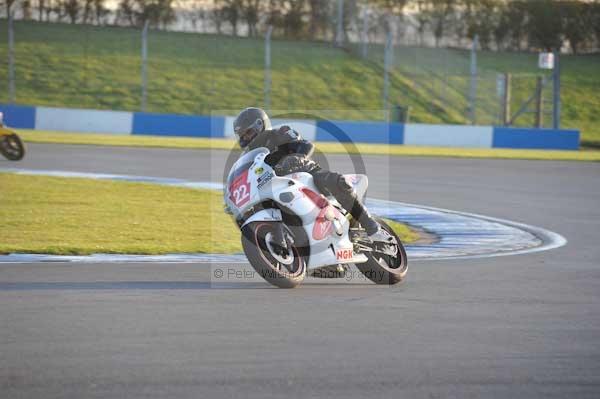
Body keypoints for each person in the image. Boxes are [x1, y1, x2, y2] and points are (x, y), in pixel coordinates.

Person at [232, 107, 392, 242]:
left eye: (248, 133)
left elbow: (306, 145)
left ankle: (372, 227)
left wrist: (289, 157)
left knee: (336, 182)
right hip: (274, 186)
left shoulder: (281, 132)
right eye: (242, 136)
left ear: (260, 124)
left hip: (303, 174)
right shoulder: (247, 157)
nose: (246, 138)